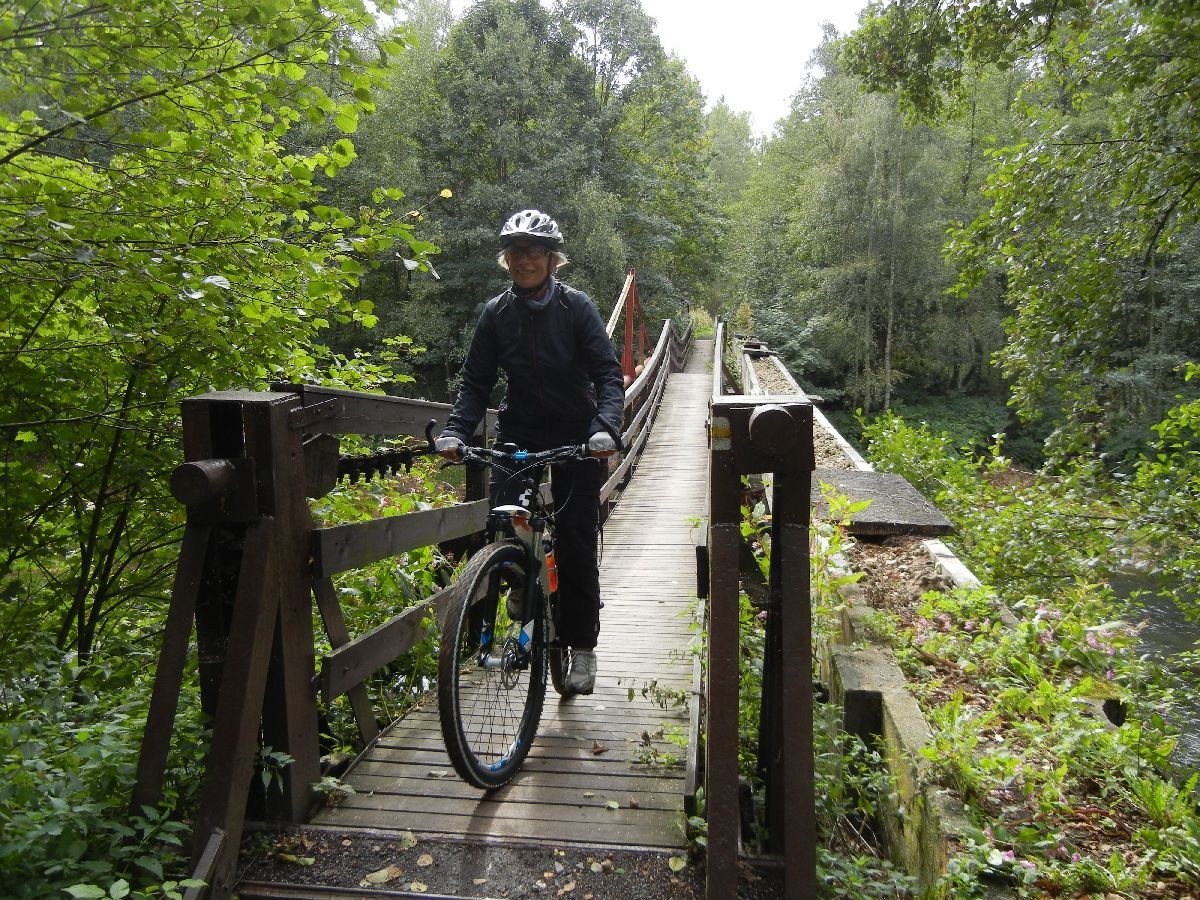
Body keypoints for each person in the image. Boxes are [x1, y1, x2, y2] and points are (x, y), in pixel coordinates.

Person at [435, 209, 624, 695]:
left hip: (576, 435)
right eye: (516, 252)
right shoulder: (496, 313)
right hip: (519, 431)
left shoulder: (576, 308)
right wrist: (457, 432)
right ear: (507, 259)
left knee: (578, 540)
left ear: (552, 259)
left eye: (535, 251)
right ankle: (519, 581)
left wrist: (604, 428)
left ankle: (581, 646)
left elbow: (607, 375)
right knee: (502, 521)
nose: (525, 260)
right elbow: (475, 382)